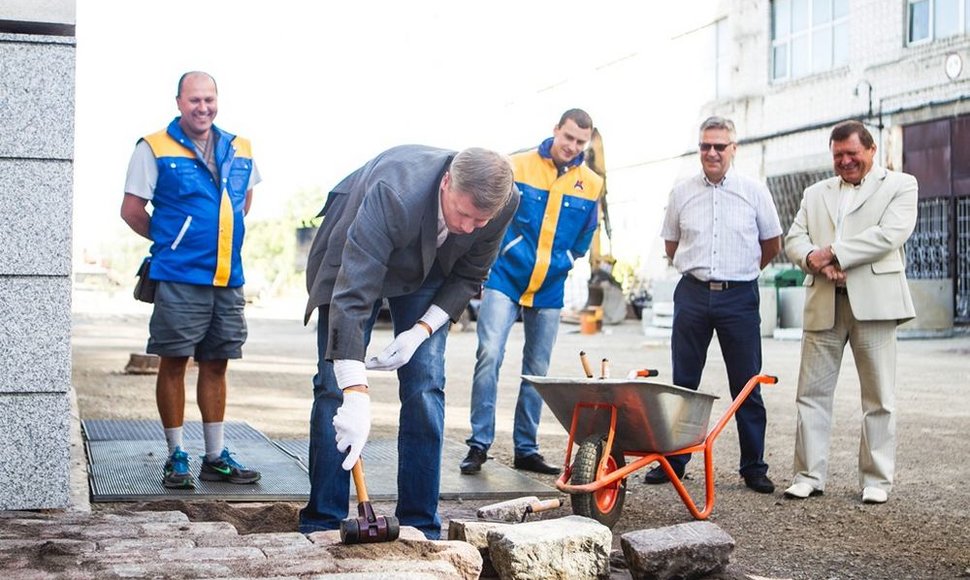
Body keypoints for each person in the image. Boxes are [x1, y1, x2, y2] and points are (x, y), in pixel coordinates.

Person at [298, 145, 518, 540]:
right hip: (354, 251)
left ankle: (420, 523)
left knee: (425, 385)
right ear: (447, 181)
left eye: (479, 220)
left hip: (431, 268)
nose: (469, 227)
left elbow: (470, 275)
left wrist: (421, 331)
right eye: (463, 213)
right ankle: (325, 519)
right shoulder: (393, 191)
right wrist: (356, 392)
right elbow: (353, 295)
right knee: (334, 390)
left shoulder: (505, 200)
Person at [120, 71, 262, 489]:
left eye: (210, 100)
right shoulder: (153, 147)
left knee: (217, 364)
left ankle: (215, 456)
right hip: (179, 276)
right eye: (194, 100)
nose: (203, 108)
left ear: (217, 101)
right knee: (175, 361)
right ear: (179, 102)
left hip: (227, 277)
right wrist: (173, 241)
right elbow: (131, 210)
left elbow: (243, 203)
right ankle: (175, 455)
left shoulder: (241, 147)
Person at [460, 109, 604, 476]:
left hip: (551, 285)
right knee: (489, 354)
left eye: (580, 142)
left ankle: (527, 447)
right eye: (568, 137)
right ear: (556, 130)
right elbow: (492, 215)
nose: (572, 146)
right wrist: (500, 255)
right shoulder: (517, 166)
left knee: (537, 369)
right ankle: (479, 444)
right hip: (505, 277)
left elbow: (585, 237)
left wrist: (567, 259)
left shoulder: (591, 184)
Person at [783, 120, 918, 504]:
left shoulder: (901, 185)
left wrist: (835, 252)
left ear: (871, 150)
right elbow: (795, 238)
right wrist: (814, 259)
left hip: (875, 302)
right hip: (824, 298)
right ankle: (808, 474)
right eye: (838, 155)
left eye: (852, 154)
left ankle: (876, 479)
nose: (845, 162)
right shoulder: (814, 193)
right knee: (810, 394)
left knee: (879, 396)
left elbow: (890, 234)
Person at [653, 115, 782, 494]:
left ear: (733, 149)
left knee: (747, 384)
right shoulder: (681, 192)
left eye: (719, 146)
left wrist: (740, 272)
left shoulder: (753, 190)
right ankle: (675, 462)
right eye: (705, 146)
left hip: (739, 298)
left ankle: (753, 467)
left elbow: (771, 243)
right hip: (692, 293)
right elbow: (671, 244)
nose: (712, 152)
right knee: (684, 384)